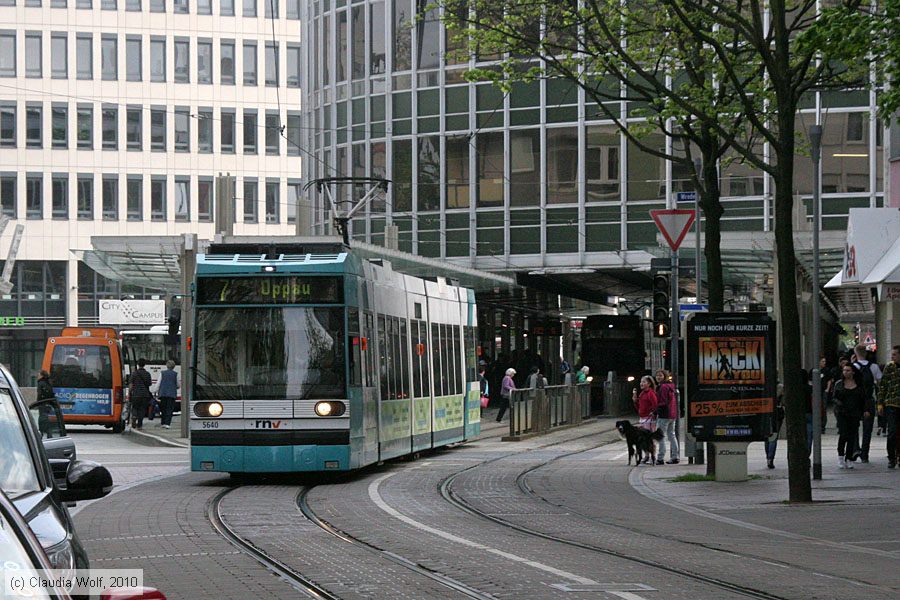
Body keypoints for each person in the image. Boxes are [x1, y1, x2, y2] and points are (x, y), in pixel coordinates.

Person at [834, 363, 867, 469]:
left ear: (853, 372)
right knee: (843, 434)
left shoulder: (859, 384)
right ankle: (840, 457)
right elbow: (834, 397)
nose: (845, 372)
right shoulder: (839, 384)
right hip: (842, 413)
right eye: (844, 370)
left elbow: (863, 399)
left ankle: (849, 458)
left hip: (855, 413)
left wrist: (865, 410)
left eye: (848, 370)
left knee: (852, 436)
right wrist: (840, 405)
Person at [852, 344, 881, 462]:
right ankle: (865, 454)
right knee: (867, 429)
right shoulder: (874, 367)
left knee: (853, 426)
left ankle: (855, 449)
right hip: (869, 400)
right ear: (866, 353)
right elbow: (880, 383)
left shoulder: (853, 367)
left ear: (855, 353)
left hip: (855, 401)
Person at [876, 345, 900, 468]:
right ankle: (891, 457)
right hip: (891, 403)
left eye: (895, 354)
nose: (892, 356)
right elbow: (883, 385)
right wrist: (880, 403)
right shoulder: (889, 367)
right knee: (892, 431)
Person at [654, 369, 679, 464]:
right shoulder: (670, 386)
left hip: (664, 414)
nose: (658, 377)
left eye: (660, 375)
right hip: (672, 414)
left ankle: (660, 458)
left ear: (664, 376)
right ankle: (675, 457)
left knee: (661, 436)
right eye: (657, 376)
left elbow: (663, 402)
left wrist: (656, 412)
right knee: (672, 435)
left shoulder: (663, 387)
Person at [128, 358, 153, 430]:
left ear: (138, 364)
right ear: (144, 365)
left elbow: (131, 384)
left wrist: (130, 393)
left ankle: (134, 416)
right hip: (145, 395)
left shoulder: (134, 373)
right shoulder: (147, 374)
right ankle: (139, 425)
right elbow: (149, 384)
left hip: (136, 394)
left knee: (135, 407)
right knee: (142, 409)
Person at [765, 384, 785, 469]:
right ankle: (770, 458)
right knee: (774, 436)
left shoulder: (766, 387)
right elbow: (784, 402)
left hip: (767, 412)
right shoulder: (780, 387)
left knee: (767, 436)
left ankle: (768, 457)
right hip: (778, 413)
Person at [157, 360, 180, 429]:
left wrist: (155, 391)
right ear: (174, 366)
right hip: (171, 394)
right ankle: (167, 423)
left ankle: (163, 422)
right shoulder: (175, 374)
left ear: (167, 366)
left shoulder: (162, 373)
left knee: (163, 408)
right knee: (169, 409)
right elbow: (178, 385)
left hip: (163, 393)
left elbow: (158, 383)